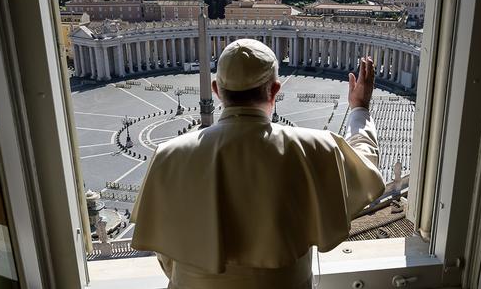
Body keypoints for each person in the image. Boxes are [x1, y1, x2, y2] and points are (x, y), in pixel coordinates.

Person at [131, 39, 385, 289]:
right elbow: (365, 165)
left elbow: (164, 252)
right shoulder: (315, 147)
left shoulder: (168, 156)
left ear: (216, 90)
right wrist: (359, 108)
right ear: (275, 90)